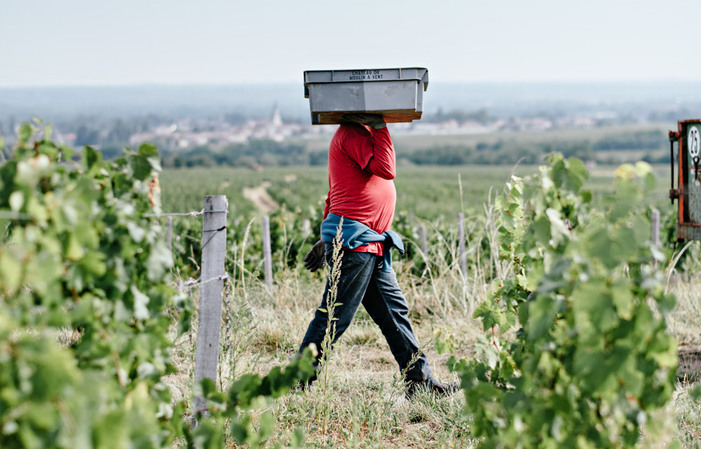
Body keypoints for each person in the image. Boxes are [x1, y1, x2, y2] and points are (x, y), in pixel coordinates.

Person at [298, 113, 458, 398]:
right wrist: (380, 127)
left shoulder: (355, 133)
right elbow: (386, 168)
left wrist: (325, 238)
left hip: (370, 244)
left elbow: (336, 191)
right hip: (355, 244)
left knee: (394, 314)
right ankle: (297, 382)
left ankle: (420, 383)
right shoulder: (352, 133)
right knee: (334, 317)